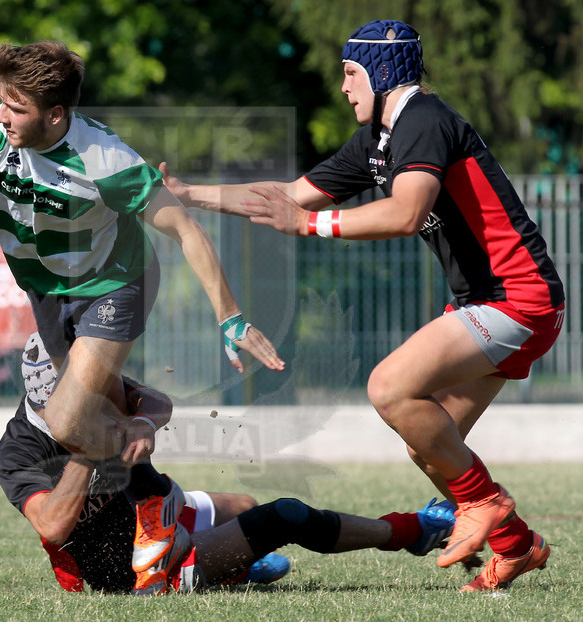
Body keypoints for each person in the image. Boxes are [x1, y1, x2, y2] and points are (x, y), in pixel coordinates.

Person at [160, 19, 564, 593]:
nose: (344, 87)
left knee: (389, 388)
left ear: (381, 72)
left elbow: (404, 213)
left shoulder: (422, 119)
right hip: (493, 302)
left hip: (518, 298)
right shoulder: (380, 139)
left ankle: (486, 503)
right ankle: (517, 544)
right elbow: (290, 196)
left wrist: (309, 225)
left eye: (351, 73)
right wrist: (188, 195)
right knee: (429, 443)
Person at [0, 40, 284, 594]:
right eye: (2, 101)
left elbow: (186, 231)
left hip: (115, 285)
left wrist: (231, 318)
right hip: (48, 293)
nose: (3, 115)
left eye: (17, 107)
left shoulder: (106, 160)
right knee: (101, 413)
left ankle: (155, 495)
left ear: (55, 114)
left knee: (70, 423)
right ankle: (166, 477)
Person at [0, 333, 457, 595]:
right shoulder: (17, 454)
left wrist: (145, 424)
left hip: (155, 511)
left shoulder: (90, 389)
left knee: (243, 503)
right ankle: (410, 531)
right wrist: (88, 450)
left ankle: (234, 569)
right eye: (93, 403)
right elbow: (53, 525)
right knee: (284, 515)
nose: (110, 403)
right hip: (132, 569)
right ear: (57, 407)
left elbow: (155, 400)